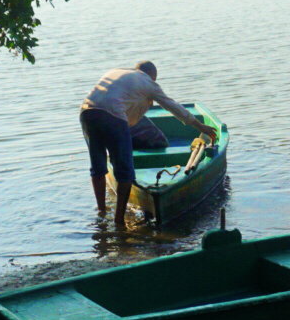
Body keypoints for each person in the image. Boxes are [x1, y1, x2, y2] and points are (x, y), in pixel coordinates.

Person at [80, 61, 216, 228]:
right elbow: (173, 107)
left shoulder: (117, 71)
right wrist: (200, 126)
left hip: (87, 112)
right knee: (126, 173)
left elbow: (120, 105)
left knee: (98, 167)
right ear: (152, 76)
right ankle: (119, 221)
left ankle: (101, 213)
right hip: (113, 115)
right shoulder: (148, 83)